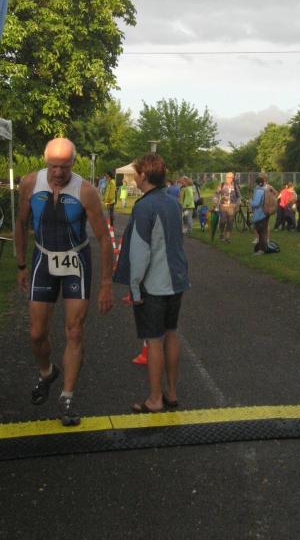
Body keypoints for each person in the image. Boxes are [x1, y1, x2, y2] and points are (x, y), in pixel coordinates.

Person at [15, 138, 114, 426]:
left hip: (75, 261)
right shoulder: (30, 183)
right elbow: (20, 223)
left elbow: (104, 238)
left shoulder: (85, 191)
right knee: (37, 333)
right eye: (53, 166)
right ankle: (47, 372)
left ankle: (67, 397)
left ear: (73, 163)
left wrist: (106, 283)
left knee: (74, 331)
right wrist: (21, 264)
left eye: (65, 167)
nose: (58, 172)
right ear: (45, 161)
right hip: (43, 259)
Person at [114, 153, 189, 413]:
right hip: (176, 281)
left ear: (144, 175)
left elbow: (140, 252)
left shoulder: (144, 207)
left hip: (154, 284)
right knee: (171, 333)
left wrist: (134, 289)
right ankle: (171, 393)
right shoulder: (173, 203)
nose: (134, 177)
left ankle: (155, 399)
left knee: (154, 340)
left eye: (136, 173)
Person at [216, 172, 240, 243]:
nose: (230, 179)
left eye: (231, 177)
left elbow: (239, 196)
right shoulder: (221, 185)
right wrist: (216, 202)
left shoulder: (235, 186)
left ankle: (227, 238)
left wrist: (236, 204)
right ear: (226, 178)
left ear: (233, 178)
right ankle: (221, 234)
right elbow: (216, 194)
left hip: (231, 207)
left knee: (230, 222)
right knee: (223, 221)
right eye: (228, 177)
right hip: (223, 206)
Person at [250, 175, 268, 254]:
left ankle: (262, 250)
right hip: (263, 214)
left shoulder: (259, 191)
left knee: (261, 233)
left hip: (260, 215)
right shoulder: (264, 190)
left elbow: (256, 203)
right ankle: (262, 248)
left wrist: (250, 202)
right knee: (262, 232)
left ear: (258, 183)